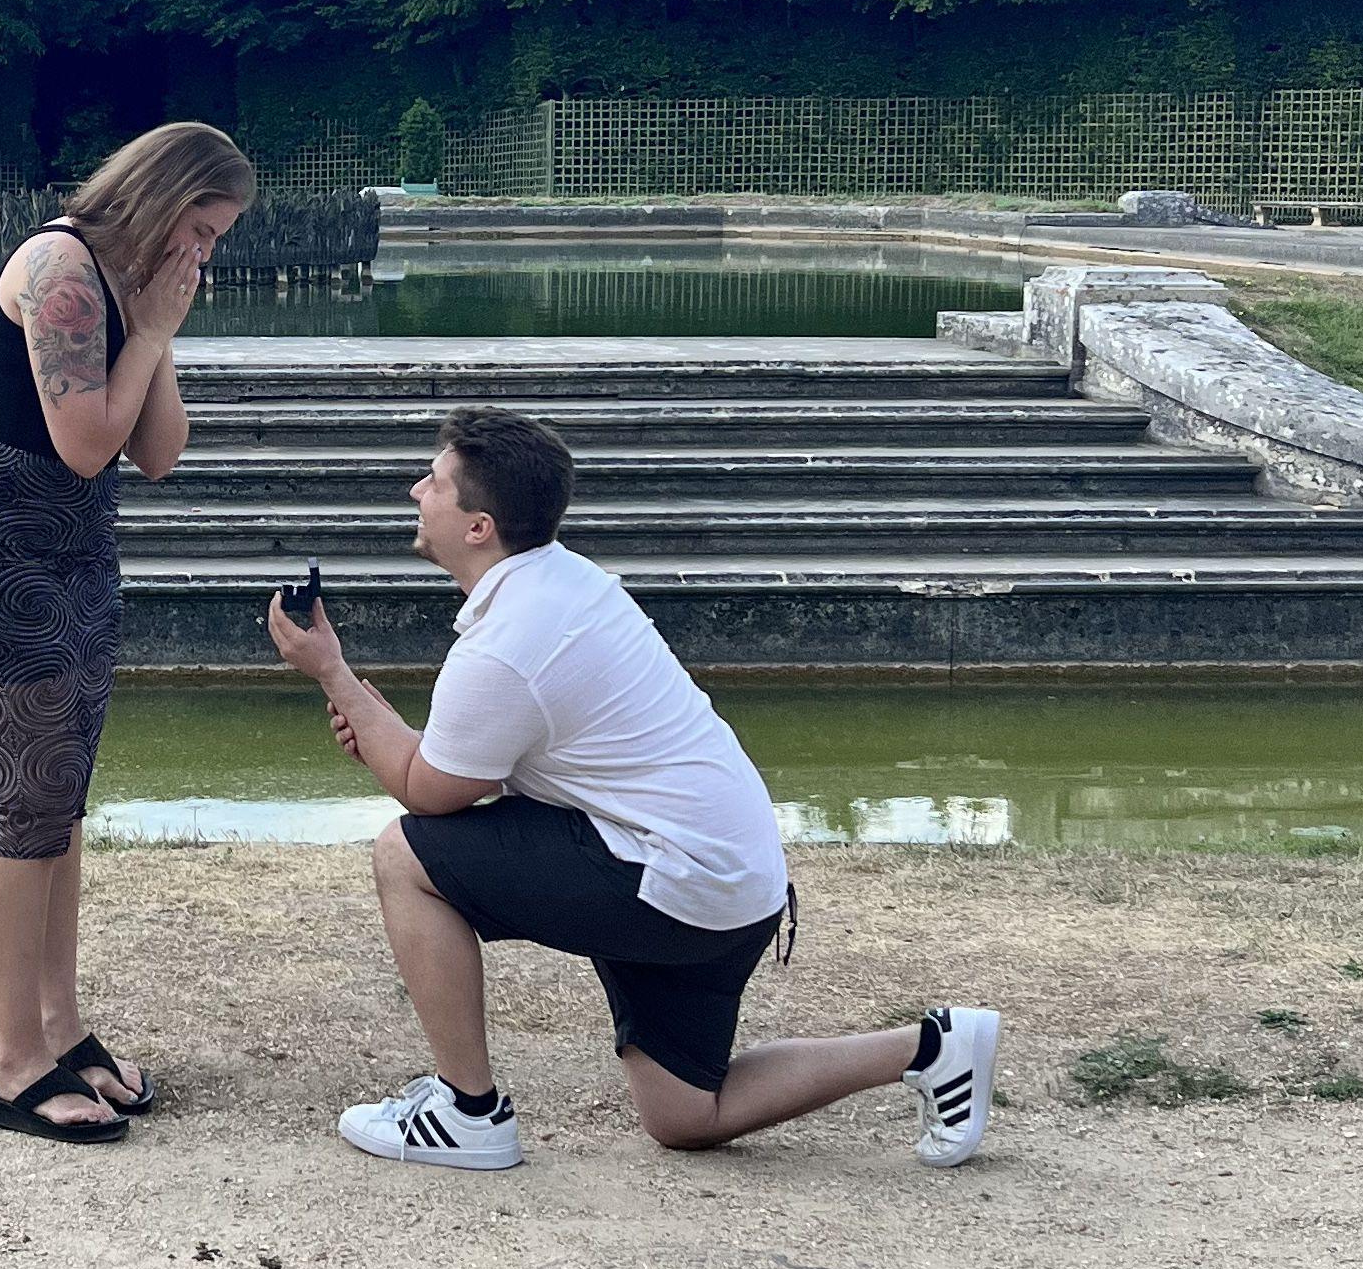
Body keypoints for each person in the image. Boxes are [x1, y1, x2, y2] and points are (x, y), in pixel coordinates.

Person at [267, 403, 999, 1172]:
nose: (418, 490)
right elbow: (442, 766)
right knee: (685, 1114)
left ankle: (468, 1111)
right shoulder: (562, 584)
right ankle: (936, 1046)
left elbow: (428, 796)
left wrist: (330, 673)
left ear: (479, 526)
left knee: (404, 855)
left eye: (436, 481)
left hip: (674, 874)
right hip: (732, 877)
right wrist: (359, 701)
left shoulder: (508, 644)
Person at [0, 122, 257, 1138]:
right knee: (22, 801)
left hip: (73, 551)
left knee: (59, 799)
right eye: (200, 227)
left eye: (217, 238)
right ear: (160, 195)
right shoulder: (60, 267)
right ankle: (14, 1064)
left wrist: (158, 324)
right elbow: (83, 440)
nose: (204, 252)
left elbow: (156, 454)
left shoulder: (130, 282)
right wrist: (145, 332)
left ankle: (59, 1031)